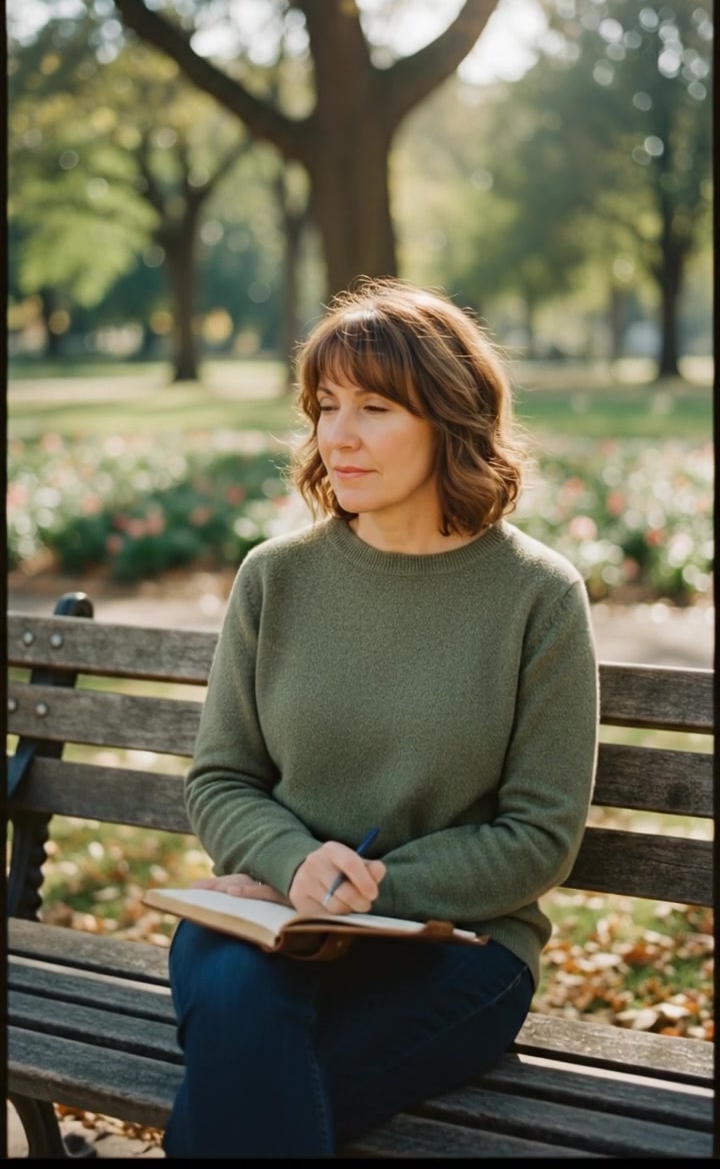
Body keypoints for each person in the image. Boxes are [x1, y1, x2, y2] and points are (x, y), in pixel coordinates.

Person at [162, 277, 599, 1158]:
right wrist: (293, 868)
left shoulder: (538, 598)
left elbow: (539, 834)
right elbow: (222, 779)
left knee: (246, 1094)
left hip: (457, 949)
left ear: (450, 417)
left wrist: (368, 892)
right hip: (265, 920)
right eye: (325, 406)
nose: (339, 435)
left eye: (375, 407)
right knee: (245, 1019)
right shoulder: (275, 578)